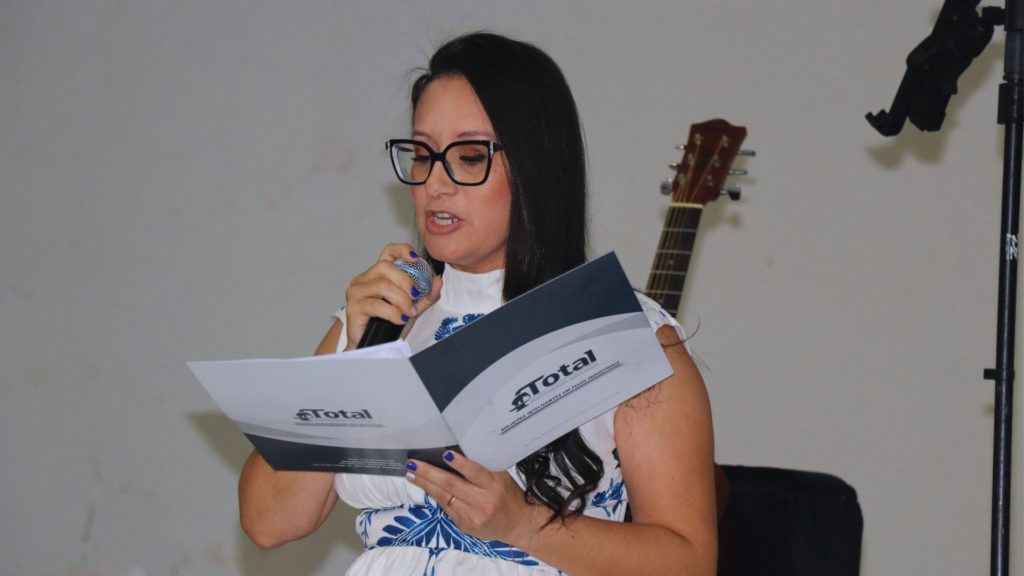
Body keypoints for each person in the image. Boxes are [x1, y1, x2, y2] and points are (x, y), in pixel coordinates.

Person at [237, 32, 717, 575]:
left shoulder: (621, 333)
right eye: (422, 154)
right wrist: (352, 357)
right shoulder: (379, 318)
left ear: (536, 168)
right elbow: (269, 522)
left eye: (468, 157)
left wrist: (521, 524)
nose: (435, 184)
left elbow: (690, 562)